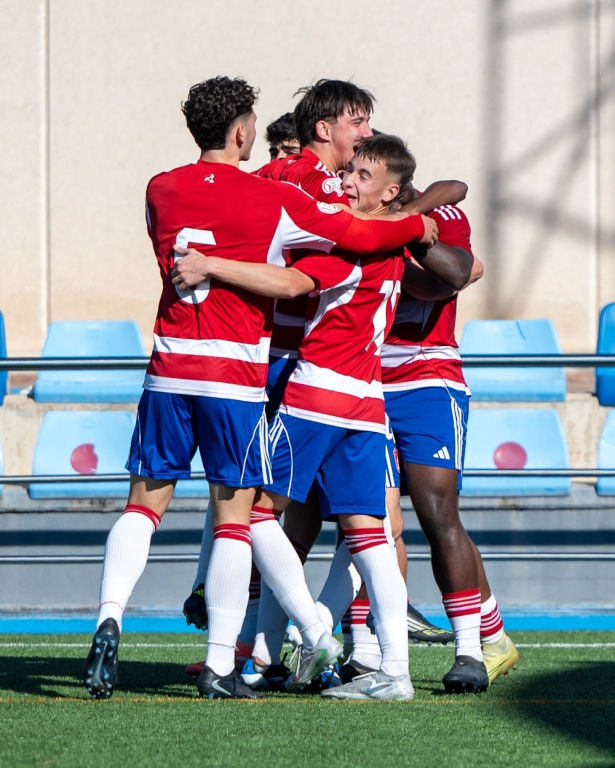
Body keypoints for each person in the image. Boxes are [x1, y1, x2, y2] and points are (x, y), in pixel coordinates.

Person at [81, 76, 437, 701]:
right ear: (243, 130)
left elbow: (256, 259)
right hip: (251, 375)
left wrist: (213, 262)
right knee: (244, 517)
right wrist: (414, 223)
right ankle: (233, 660)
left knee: (145, 505)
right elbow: (357, 236)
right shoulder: (272, 195)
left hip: (173, 367)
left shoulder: (160, 188)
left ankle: (111, 616)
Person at [181, 81, 459, 663]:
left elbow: (445, 204)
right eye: (358, 122)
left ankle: (278, 643)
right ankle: (338, 650)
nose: (366, 133)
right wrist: (409, 220)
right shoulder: (324, 192)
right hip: (310, 377)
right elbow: (423, 240)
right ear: (325, 129)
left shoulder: (290, 183)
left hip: (311, 378)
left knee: (266, 512)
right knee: (347, 523)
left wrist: (211, 265)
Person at [381, 191, 518, 692]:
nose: (348, 178)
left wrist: (388, 244)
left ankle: (472, 649)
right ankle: (365, 650)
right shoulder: (341, 216)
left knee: (438, 515)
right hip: (360, 384)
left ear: (392, 187)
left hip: (427, 380)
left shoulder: (436, 216)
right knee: (368, 521)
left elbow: (453, 275)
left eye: (362, 170)